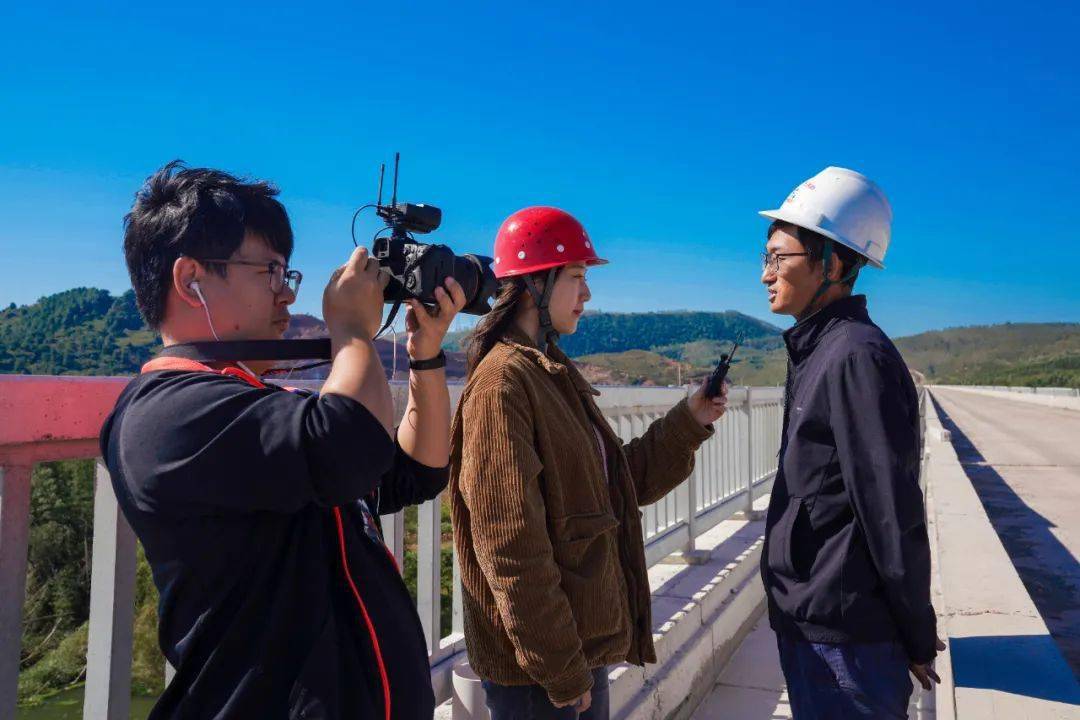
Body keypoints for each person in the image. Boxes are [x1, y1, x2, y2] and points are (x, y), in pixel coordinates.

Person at [100, 161, 465, 719]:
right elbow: (346, 450)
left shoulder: (259, 406)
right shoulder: (166, 415)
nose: (286, 296)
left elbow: (416, 471)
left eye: (285, 274)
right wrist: (349, 331)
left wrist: (427, 354)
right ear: (190, 279)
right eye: (269, 271)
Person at [448, 206, 728, 719]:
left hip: (571, 648)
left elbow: (615, 485)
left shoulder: (548, 372)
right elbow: (510, 545)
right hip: (540, 673)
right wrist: (561, 671)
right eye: (576, 276)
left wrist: (689, 420)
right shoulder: (502, 384)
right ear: (535, 282)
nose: (587, 293)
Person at [757, 167, 944, 719]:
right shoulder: (821, 349)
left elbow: (889, 507)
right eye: (764, 258)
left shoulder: (855, 356)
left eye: (779, 258)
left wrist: (915, 630)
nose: (766, 274)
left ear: (834, 263)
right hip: (815, 622)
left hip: (847, 639)